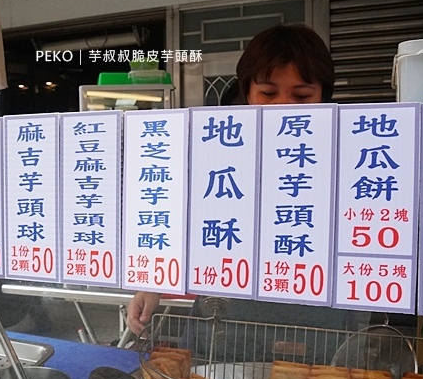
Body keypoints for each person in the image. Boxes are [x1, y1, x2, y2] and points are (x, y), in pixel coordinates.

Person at [127, 23, 339, 338]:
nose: (283, 107)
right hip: (223, 316)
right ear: (247, 93)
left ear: (322, 96)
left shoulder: (348, 154)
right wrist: (153, 282)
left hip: (317, 324)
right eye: (268, 93)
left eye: (302, 96)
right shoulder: (214, 149)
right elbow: (177, 220)